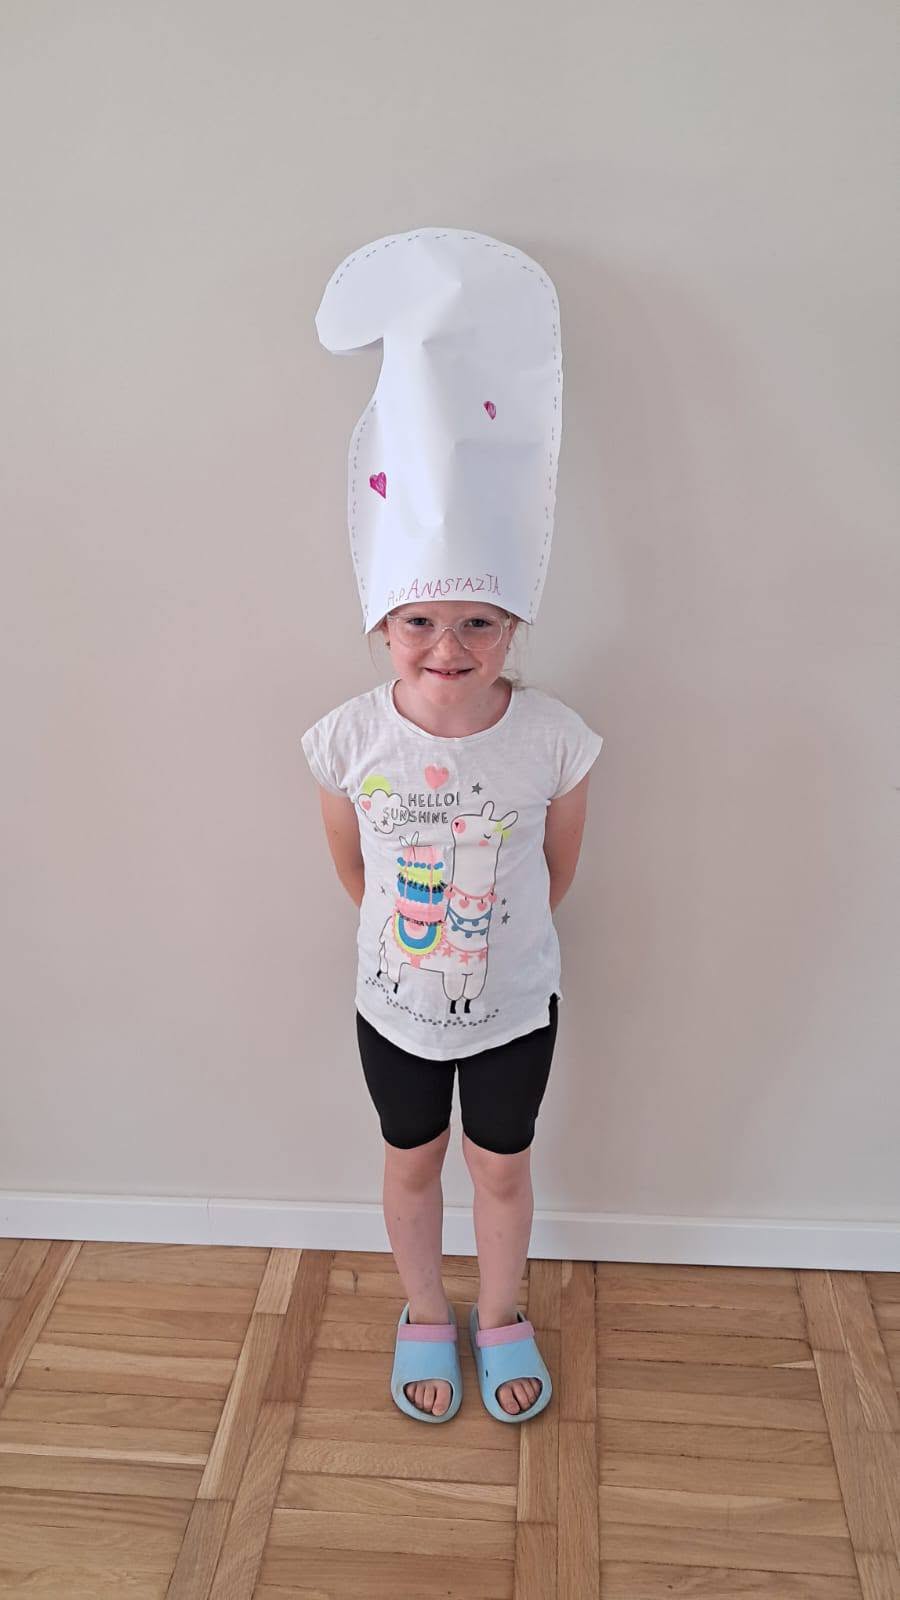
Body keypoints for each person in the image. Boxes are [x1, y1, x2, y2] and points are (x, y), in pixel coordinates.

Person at [301, 227, 604, 1424]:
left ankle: (503, 1308)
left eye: (479, 621)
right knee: (413, 1160)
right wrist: (413, 940)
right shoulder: (348, 739)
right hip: (396, 1010)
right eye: (421, 621)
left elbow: (557, 866)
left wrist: (490, 939)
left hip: (517, 1004)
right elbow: (351, 860)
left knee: (503, 1167)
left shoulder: (555, 738)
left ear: (514, 628)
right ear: (384, 626)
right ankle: (426, 1309)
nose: (448, 645)